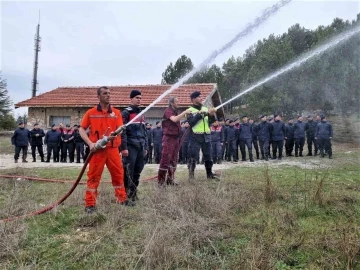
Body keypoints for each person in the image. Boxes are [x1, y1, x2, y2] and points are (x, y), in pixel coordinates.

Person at [79, 86, 133, 214]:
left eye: (109, 93)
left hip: (113, 150)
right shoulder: (91, 113)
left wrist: (118, 132)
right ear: (98, 97)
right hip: (97, 150)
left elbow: (120, 128)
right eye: (105, 93)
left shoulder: (116, 113)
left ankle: (122, 199)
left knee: (118, 174)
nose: (108, 95)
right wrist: (90, 143)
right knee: (93, 176)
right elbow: (81, 129)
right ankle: (90, 204)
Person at [120, 89, 148, 201]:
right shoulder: (126, 113)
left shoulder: (141, 113)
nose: (139, 100)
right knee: (128, 171)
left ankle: (133, 193)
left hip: (140, 146)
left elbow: (144, 131)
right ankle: (126, 194)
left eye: (140, 98)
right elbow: (122, 131)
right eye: (137, 98)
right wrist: (124, 147)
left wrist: (145, 147)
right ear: (131, 99)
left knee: (138, 171)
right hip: (130, 146)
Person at [157, 97, 190, 186]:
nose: (178, 103)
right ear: (172, 103)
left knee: (174, 160)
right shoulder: (168, 111)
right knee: (166, 159)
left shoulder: (175, 112)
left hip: (176, 139)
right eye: (177, 102)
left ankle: (170, 180)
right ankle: (161, 182)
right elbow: (174, 119)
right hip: (168, 139)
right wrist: (185, 112)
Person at [186, 91, 218, 180]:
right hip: (195, 136)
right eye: (199, 97)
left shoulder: (205, 108)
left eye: (201, 96)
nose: (201, 98)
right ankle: (191, 175)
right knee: (193, 156)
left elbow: (210, 122)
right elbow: (191, 122)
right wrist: (199, 114)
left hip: (206, 135)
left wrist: (211, 115)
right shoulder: (189, 110)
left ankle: (209, 174)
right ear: (193, 99)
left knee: (208, 156)